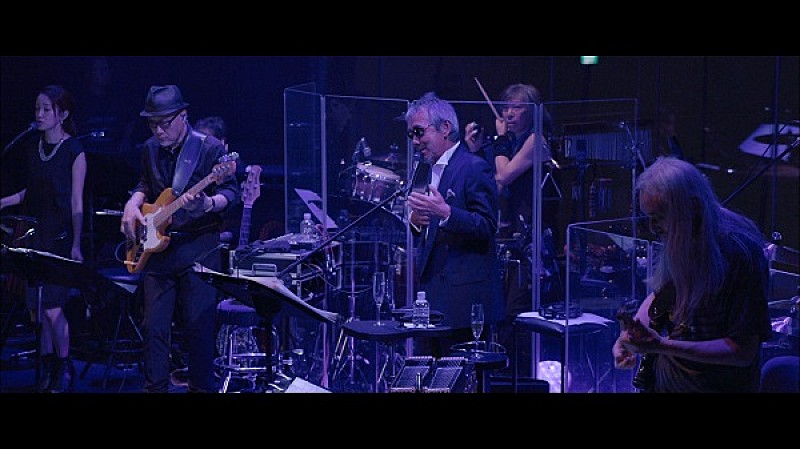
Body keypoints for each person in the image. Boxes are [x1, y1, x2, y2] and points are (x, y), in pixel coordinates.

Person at [612, 157, 772, 393]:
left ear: (693, 208)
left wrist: (662, 346)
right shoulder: (684, 235)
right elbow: (662, 295)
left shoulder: (739, 254)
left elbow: (742, 351)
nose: (653, 227)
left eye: (659, 217)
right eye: (649, 217)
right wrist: (629, 336)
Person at [120, 85, 240, 393]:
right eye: (152, 124)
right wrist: (132, 204)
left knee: (199, 330)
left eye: (164, 123)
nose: (158, 131)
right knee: (153, 330)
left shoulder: (210, 148)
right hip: (159, 249)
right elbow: (144, 183)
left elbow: (231, 193)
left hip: (199, 248)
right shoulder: (149, 148)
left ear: (183, 116)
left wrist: (209, 204)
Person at [464, 83, 561, 359]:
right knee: (499, 309)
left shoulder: (536, 140)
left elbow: (504, 175)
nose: (508, 113)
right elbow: (493, 187)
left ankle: (520, 369)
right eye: (506, 107)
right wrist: (475, 152)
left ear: (532, 111)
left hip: (533, 240)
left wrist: (500, 139)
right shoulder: (511, 144)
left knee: (515, 310)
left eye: (517, 107)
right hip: (512, 237)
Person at [0, 85, 86, 392]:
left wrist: (76, 244)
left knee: (52, 307)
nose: (39, 114)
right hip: (34, 235)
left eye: (46, 109)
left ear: (62, 114)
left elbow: (76, 201)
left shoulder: (74, 151)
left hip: (59, 237)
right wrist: (4, 201)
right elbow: (31, 192)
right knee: (37, 309)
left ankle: (64, 364)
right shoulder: (33, 147)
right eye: (37, 108)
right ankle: (48, 364)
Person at [405, 92, 504, 358]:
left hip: (464, 302)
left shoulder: (473, 167)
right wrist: (415, 222)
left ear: (445, 128)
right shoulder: (423, 171)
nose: (415, 141)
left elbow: (487, 225)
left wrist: (447, 213)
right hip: (432, 299)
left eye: (419, 132)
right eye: (411, 134)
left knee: (461, 375)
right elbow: (425, 226)